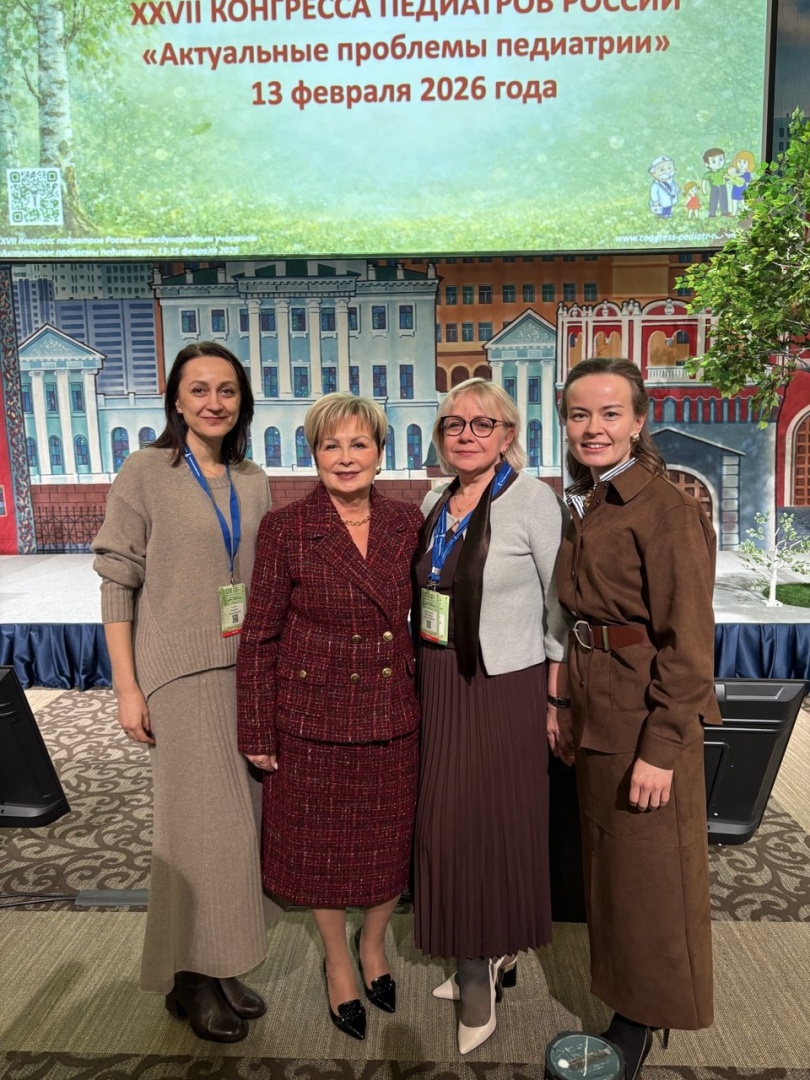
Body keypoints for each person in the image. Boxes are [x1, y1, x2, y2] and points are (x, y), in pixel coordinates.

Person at [92, 341, 274, 1044]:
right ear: (175, 399)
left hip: (244, 672)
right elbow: (118, 582)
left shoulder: (252, 479)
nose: (213, 402)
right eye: (199, 389)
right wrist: (126, 687)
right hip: (178, 676)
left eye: (226, 390)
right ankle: (191, 976)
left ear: (242, 401)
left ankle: (217, 963)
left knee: (240, 829)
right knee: (197, 832)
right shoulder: (146, 471)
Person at [237, 393, 422, 1042]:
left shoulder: (407, 522)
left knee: (386, 844)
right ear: (313, 454)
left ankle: (373, 945)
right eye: (331, 445)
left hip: (391, 712)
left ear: (380, 453)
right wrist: (257, 728)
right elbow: (259, 636)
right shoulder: (286, 528)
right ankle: (337, 959)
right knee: (320, 851)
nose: (346, 458)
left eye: (359, 444)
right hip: (312, 717)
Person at [555, 357, 721, 1080]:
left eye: (609, 413)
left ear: (639, 420)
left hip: (647, 717)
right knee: (612, 870)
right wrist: (564, 702)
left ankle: (641, 1019)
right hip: (598, 704)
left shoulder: (666, 508)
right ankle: (625, 997)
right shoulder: (591, 500)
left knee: (652, 878)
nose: (593, 427)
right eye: (579, 414)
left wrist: (661, 747)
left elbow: (689, 647)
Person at [411, 377, 570, 1055]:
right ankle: (485, 949)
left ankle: (478, 973)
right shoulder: (433, 501)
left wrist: (556, 695)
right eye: (454, 424)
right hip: (439, 682)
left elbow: (562, 603)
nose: (467, 435)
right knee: (445, 827)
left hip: (505, 687)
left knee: (486, 829)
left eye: (483, 424)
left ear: (508, 435)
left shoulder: (532, 499)